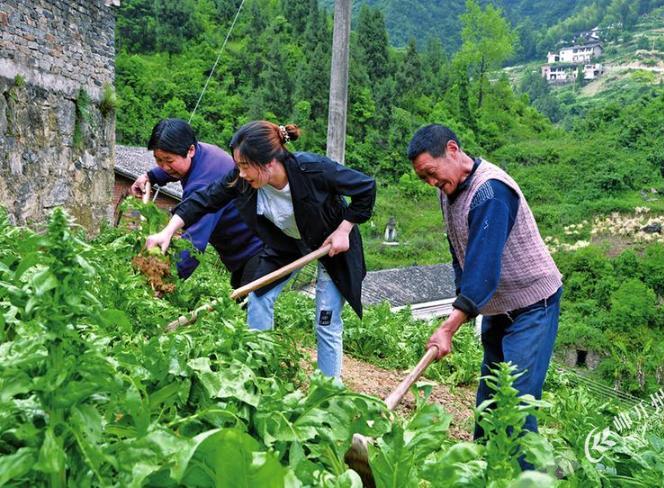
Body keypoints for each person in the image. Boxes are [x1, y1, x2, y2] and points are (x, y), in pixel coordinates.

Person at [146, 121, 376, 378]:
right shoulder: (244, 179)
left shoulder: (312, 170)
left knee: (326, 321)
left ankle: (328, 390)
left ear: (268, 163)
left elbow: (365, 187)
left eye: (244, 166)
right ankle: (258, 373)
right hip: (288, 246)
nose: (240, 174)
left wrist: (344, 230)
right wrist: (167, 231)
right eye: (238, 165)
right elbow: (206, 198)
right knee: (256, 297)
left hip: (334, 248)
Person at [407, 124, 562, 465]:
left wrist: (449, 326)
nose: (432, 183)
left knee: (517, 404)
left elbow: (483, 267)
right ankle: (480, 471)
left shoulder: (491, 192)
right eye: (424, 179)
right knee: (490, 399)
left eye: (431, 173)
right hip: (498, 307)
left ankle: (528, 478)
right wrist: (463, 300)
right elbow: (460, 254)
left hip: (534, 305)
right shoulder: (447, 192)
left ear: (452, 150)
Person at [131, 119, 265, 289]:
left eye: (169, 160)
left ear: (191, 150)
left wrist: (164, 282)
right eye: (158, 160)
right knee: (241, 298)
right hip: (239, 249)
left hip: (257, 247)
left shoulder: (203, 184)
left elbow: (193, 244)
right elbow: (174, 166)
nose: (164, 167)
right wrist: (151, 176)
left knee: (251, 301)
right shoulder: (197, 151)